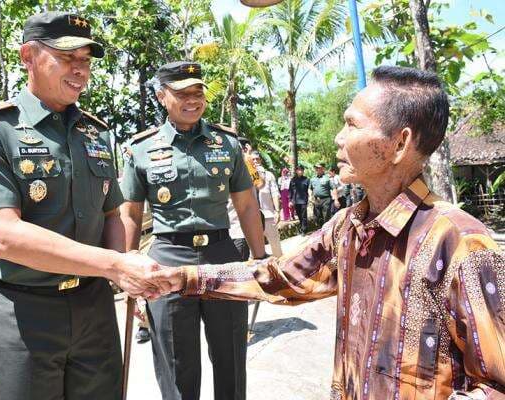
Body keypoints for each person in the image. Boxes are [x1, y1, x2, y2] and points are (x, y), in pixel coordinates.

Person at [149, 66, 505, 400]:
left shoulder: (461, 244)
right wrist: (174, 278)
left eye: (352, 124)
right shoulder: (348, 227)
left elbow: (496, 383)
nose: (338, 137)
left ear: (400, 143)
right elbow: (277, 278)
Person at [0, 12, 163, 400]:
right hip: (24, 311)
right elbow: (2, 235)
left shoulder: (95, 132)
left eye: (85, 60)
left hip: (94, 307)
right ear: (28, 56)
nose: (80, 70)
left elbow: (111, 215)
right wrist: (115, 265)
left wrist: (125, 271)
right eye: (67, 57)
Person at [120, 61, 266, 400]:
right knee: (176, 363)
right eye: (182, 93)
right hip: (168, 260)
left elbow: (246, 206)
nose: (192, 100)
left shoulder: (227, 144)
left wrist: (260, 259)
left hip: (222, 257)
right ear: (161, 96)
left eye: (198, 92)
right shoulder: (140, 149)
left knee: (230, 357)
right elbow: (130, 212)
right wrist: (126, 265)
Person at [252, 152, 282, 257]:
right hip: (252, 219)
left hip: (268, 216)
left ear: (261, 160)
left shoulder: (269, 175)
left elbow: (274, 193)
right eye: (253, 160)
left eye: (257, 159)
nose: (255, 162)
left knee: (276, 246)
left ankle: (280, 269)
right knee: (254, 251)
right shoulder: (244, 175)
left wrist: (277, 211)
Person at [289, 165, 309, 235]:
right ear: (296, 171)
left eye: (301, 170)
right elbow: (290, 191)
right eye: (298, 170)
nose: (300, 171)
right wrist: (290, 201)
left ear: (303, 171)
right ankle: (302, 227)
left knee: (304, 215)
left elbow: (308, 190)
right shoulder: (293, 180)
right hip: (296, 201)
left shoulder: (306, 179)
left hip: (303, 200)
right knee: (299, 215)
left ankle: (304, 229)